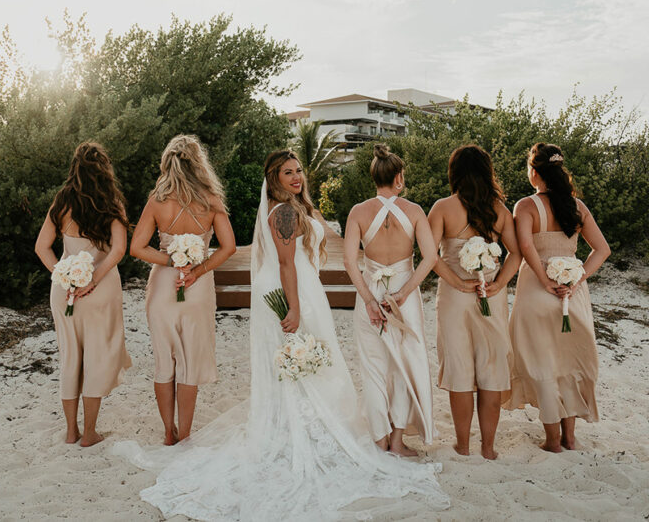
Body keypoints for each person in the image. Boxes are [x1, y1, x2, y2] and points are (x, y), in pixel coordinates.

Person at [114, 149, 449, 521]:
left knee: (305, 364)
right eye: (288, 172)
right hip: (294, 291)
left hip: (302, 287)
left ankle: (309, 426)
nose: (297, 177)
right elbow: (287, 263)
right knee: (304, 361)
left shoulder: (292, 207)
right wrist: (294, 307)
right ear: (273, 177)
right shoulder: (284, 211)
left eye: (299, 170)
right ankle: (305, 431)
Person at [129, 134, 236, 445]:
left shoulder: (157, 202)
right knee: (188, 364)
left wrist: (170, 260)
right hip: (198, 289)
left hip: (163, 286)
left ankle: (168, 433)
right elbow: (227, 247)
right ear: (199, 164)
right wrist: (196, 270)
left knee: (165, 361)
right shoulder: (212, 201)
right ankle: (186, 433)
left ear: (167, 163)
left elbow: (137, 248)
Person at [506, 143, 611, 452]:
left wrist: (544, 279)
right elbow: (602, 250)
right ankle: (569, 438)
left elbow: (526, 247)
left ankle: (551, 440)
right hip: (572, 295)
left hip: (537, 291)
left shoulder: (525, 206)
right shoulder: (577, 206)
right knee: (567, 361)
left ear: (535, 172)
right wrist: (576, 279)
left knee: (542, 363)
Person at [34, 141, 132, 447]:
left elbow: (42, 248)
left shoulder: (61, 202)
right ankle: (90, 433)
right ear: (105, 170)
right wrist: (92, 280)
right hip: (100, 292)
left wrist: (62, 275)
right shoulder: (111, 202)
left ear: (74, 168)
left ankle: (71, 431)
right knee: (97, 358)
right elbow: (118, 250)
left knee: (70, 358)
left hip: (64, 293)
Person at [427, 144, 521, 459]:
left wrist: (455, 281)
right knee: (492, 366)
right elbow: (516, 254)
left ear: (454, 173)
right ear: (486, 172)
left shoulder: (442, 207)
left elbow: (429, 256)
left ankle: (463, 445)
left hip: (455, 297)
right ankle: (489, 448)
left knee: (459, 369)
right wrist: (498, 284)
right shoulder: (500, 210)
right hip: (490, 297)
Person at [343, 143, 436, 457]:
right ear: (399, 178)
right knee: (403, 368)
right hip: (402, 297)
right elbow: (430, 258)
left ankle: (379, 440)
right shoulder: (413, 211)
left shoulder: (358, 212)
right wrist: (404, 292)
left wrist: (369, 300)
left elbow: (349, 263)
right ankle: (396, 442)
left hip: (369, 291)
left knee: (373, 368)